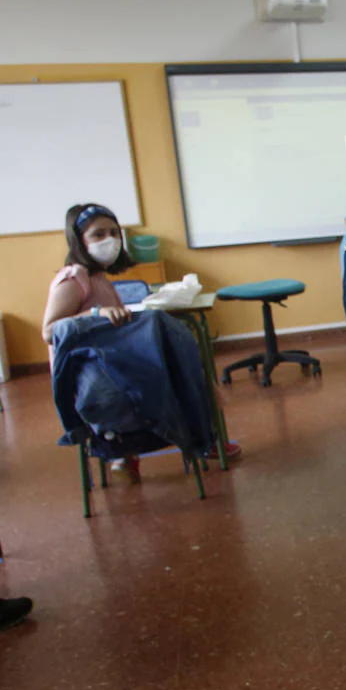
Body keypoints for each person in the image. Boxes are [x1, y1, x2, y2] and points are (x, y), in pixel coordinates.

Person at [41, 203, 239, 482]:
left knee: (180, 359)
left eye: (113, 232)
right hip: (91, 378)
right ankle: (194, 439)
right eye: (98, 235)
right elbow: (50, 331)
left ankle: (193, 439)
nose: (108, 240)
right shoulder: (73, 278)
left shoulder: (97, 276)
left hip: (112, 366)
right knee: (176, 370)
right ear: (79, 241)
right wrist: (96, 313)